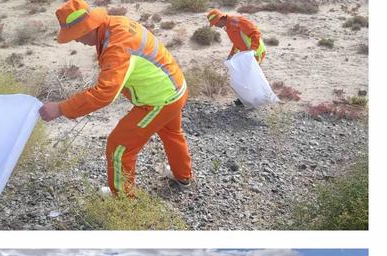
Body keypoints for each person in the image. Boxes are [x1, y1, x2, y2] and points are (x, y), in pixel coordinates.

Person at [39, 0, 193, 195]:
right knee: (172, 133)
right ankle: (183, 176)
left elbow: (104, 93)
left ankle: (122, 202)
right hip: (176, 86)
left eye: (76, 34)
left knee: (119, 147)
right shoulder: (115, 23)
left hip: (159, 100)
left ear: (90, 26)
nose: (75, 40)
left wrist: (61, 108)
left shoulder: (116, 46)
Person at [207, 9, 266, 106]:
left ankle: (254, 99)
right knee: (242, 75)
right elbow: (236, 43)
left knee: (248, 75)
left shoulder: (237, 21)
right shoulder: (228, 27)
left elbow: (255, 33)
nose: (216, 26)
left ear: (220, 19)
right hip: (245, 53)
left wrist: (253, 50)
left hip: (256, 52)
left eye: (215, 23)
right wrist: (231, 55)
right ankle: (245, 99)